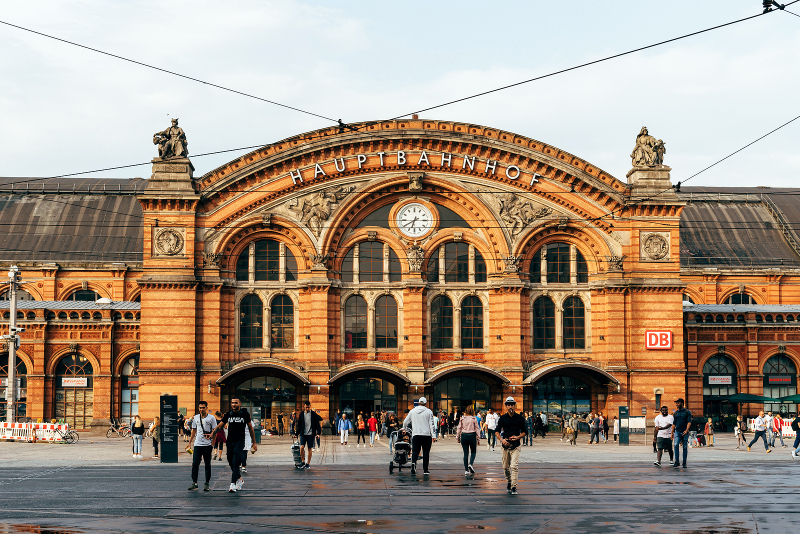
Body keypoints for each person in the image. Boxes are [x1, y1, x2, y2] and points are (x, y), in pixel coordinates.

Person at [212, 398, 258, 493]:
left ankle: (233, 484)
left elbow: (251, 428)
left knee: (236, 462)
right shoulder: (228, 414)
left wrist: (254, 442)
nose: (233, 404)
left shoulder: (245, 414)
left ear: (240, 404)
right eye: (232, 403)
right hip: (230, 441)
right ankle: (239, 478)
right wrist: (212, 433)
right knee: (230, 461)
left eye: (236, 403)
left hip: (240, 441)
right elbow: (220, 425)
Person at [495, 397, 527, 495]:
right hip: (505, 445)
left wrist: (517, 437)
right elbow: (496, 431)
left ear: (514, 406)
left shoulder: (520, 418)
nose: (510, 406)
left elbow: (525, 432)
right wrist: (502, 440)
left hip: (516, 445)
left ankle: (514, 486)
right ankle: (509, 481)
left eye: (512, 405)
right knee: (505, 467)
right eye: (508, 405)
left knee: (514, 466)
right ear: (506, 406)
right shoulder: (502, 418)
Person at [403, 396, 437, 475]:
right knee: (426, 452)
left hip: (416, 434)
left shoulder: (412, 411)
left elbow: (405, 422)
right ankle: (425, 470)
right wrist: (434, 435)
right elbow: (432, 425)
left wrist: (404, 428)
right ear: (426, 403)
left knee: (415, 451)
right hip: (426, 435)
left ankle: (413, 463)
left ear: (418, 403)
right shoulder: (429, 411)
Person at [188, 401, 217, 491]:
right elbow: (194, 430)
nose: (201, 409)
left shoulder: (211, 418)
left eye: (203, 407)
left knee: (207, 465)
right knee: (195, 464)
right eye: (200, 408)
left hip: (207, 445)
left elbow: (215, 430)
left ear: (206, 408)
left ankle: (207, 483)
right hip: (198, 444)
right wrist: (190, 442)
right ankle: (194, 483)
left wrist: (213, 443)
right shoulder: (196, 417)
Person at [295, 401, 322, 469]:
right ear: (304, 406)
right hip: (303, 434)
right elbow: (299, 425)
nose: (307, 408)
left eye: (308, 407)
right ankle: (303, 461)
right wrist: (296, 434)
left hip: (311, 434)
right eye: (306, 407)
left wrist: (318, 433)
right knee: (301, 447)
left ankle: (308, 463)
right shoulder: (301, 414)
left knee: (310, 448)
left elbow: (317, 424)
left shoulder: (313, 414)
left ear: (310, 406)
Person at [456, 405, 480, 476]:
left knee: (465, 453)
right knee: (473, 451)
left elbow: (459, 428)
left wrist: (457, 437)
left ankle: (466, 470)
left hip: (464, 436)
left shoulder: (462, 418)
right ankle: (471, 464)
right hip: (472, 435)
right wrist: (478, 438)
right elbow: (477, 429)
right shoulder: (474, 419)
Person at [672, 398, 692, 468]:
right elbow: (674, 423)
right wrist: (672, 432)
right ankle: (676, 461)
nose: (676, 404)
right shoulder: (676, 413)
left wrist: (686, 430)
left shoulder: (687, 412)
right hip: (677, 431)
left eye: (678, 403)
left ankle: (684, 462)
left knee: (685, 447)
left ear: (682, 403)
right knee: (676, 445)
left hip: (684, 431)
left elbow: (689, 422)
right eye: (676, 403)